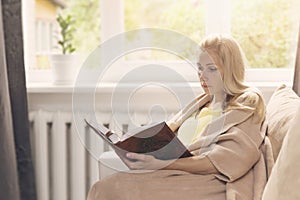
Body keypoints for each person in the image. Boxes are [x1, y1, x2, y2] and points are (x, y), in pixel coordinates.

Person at [87, 34, 273, 200]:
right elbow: (170, 136)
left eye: (212, 69)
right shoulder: (203, 101)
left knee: (113, 188)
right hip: (174, 171)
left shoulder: (247, 101)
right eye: (200, 68)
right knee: (108, 186)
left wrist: (163, 164)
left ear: (231, 69)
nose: (202, 76)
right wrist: (138, 148)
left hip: (208, 179)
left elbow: (223, 160)